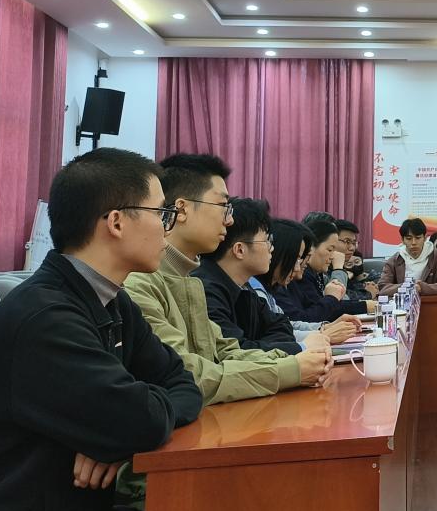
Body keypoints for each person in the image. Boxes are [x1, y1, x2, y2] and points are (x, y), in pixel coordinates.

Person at [0, 148, 202, 511]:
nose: (168, 227)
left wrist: (114, 438)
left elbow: (182, 383)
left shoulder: (112, 302)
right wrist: (120, 428)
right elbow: (140, 420)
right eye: (161, 213)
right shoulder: (45, 318)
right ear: (116, 222)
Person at [124, 153, 330, 405]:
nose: (229, 220)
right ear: (182, 209)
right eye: (223, 206)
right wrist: (291, 369)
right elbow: (185, 373)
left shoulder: (189, 281)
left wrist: (296, 361)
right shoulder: (140, 285)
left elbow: (225, 352)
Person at [194, 198, 326, 354]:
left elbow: (282, 325)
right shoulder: (204, 291)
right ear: (240, 250)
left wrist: (259, 343)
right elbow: (237, 353)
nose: (272, 249)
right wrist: (300, 347)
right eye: (266, 240)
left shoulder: (244, 286)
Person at [252, 218, 361, 346]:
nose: (299, 266)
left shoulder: (271, 287)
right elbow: (272, 337)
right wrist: (323, 333)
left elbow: (285, 325)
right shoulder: (256, 289)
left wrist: (324, 328)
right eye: (299, 258)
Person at [276, 215, 374, 321]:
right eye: (330, 249)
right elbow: (312, 315)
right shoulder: (299, 277)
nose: (333, 256)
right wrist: (338, 270)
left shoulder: (316, 273)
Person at [378, 218, 437, 296]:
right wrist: (407, 287)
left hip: (430, 302)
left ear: (425, 238)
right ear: (402, 240)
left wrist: (422, 288)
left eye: (418, 238)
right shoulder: (394, 260)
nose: (413, 243)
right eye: (409, 239)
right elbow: (383, 287)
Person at [334, 218, 378, 298]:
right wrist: (368, 294)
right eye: (347, 241)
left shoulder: (344, 265)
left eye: (354, 243)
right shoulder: (323, 267)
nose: (352, 248)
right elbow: (339, 298)